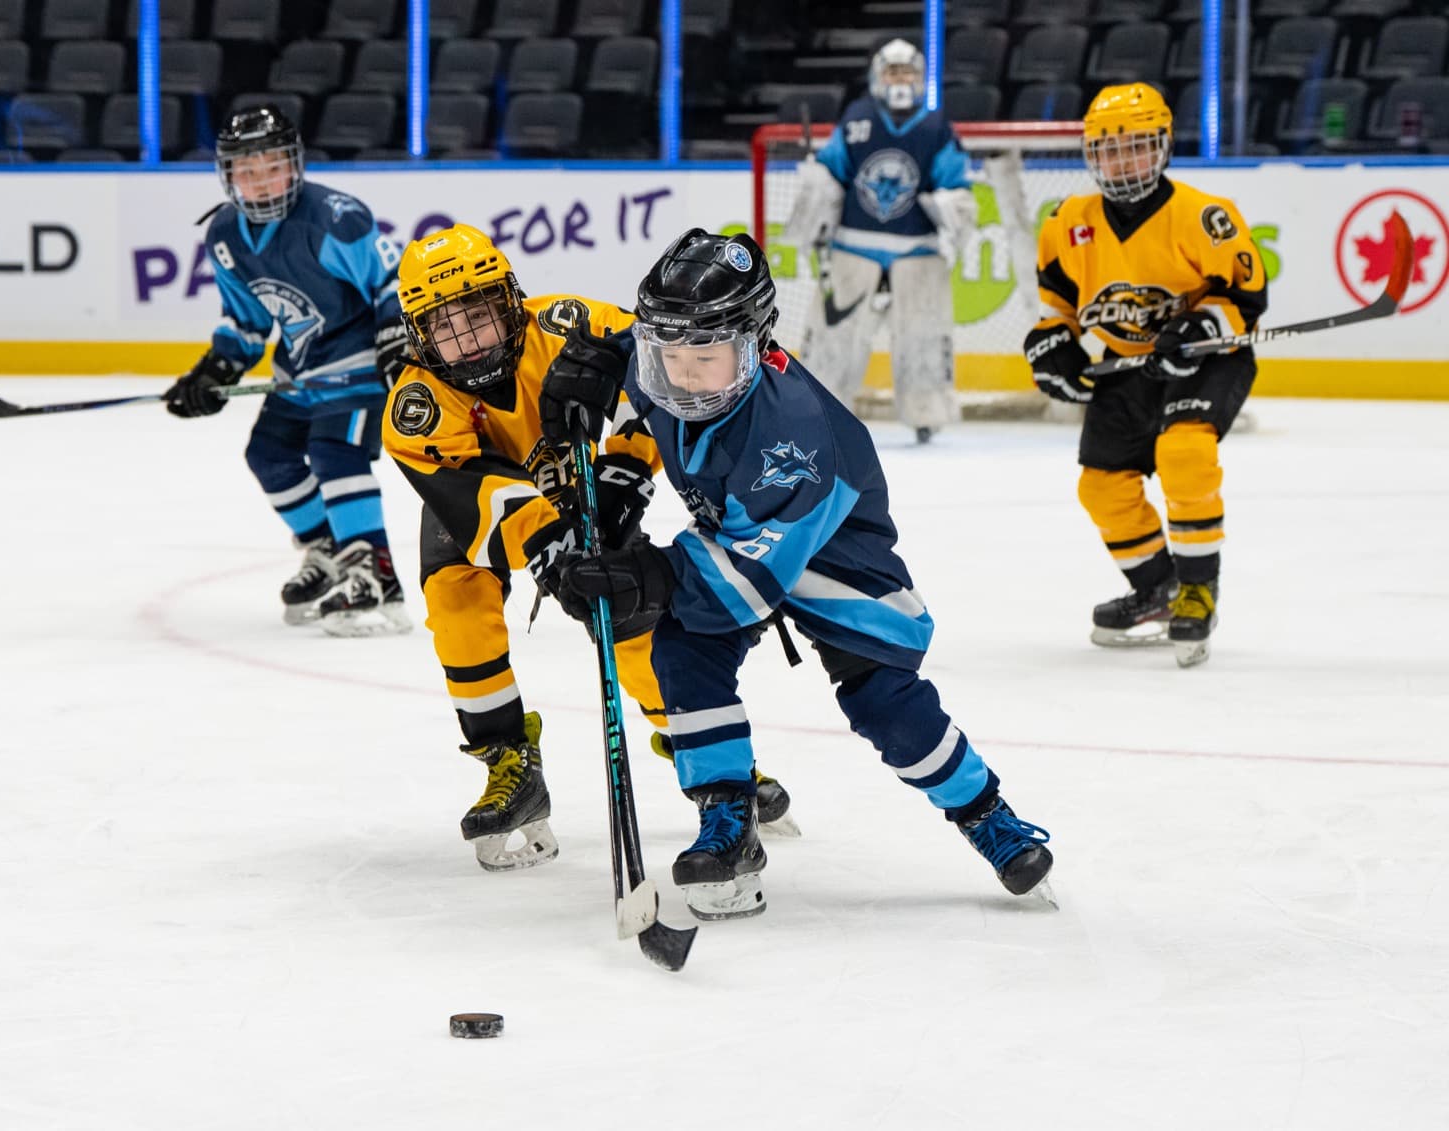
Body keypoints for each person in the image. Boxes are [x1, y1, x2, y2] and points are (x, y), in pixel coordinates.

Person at [538, 228, 1053, 921]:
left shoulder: (793, 434)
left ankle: (987, 813)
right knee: (682, 651)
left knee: (885, 703)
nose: (684, 378)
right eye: (671, 360)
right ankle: (728, 821)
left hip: (832, 557)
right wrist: (595, 366)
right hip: (739, 535)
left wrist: (648, 575)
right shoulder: (673, 354)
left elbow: (750, 579)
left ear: (753, 348)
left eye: (706, 361)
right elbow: (627, 343)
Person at [380, 224, 794, 873]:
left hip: (590, 491)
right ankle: (508, 761)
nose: (468, 344)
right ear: (418, 334)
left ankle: (700, 744)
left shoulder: (570, 324)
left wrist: (626, 471)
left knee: (634, 625)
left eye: (479, 318)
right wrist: (546, 540)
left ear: (511, 300)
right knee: (456, 602)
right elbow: (475, 496)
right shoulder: (417, 404)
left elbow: (658, 368)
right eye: (446, 328)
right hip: (491, 516)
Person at [1023, 83, 1265, 668]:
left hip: (1207, 363)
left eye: (1135, 147)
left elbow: (1247, 300)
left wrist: (1202, 326)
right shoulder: (1065, 223)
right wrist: (1049, 347)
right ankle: (1158, 588)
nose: (1122, 161)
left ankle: (1198, 588)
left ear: (1161, 148)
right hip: (1128, 367)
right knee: (1101, 487)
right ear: (1091, 156)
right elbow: (1057, 307)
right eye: (1109, 150)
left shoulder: (1203, 217)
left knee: (1184, 452)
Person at [164, 105, 411, 637]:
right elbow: (247, 320)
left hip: (357, 363)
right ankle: (326, 551)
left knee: (332, 452)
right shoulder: (226, 236)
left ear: (294, 164)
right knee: (268, 455)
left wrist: (396, 338)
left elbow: (394, 280)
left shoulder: (336, 219)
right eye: (247, 170)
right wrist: (215, 370)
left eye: (272, 165)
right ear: (228, 176)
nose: (261, 180)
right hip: (298, 369)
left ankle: (375, 573)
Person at [783, 37, 978, 443]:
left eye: (907, 72)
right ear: (877, 76)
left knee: (923, 333)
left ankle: (925, 410)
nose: (900, 79)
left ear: (919, 77)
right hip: (854, 244)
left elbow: (956, 183)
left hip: (916, 248)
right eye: (893, 71)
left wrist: (951, 206)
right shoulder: (857, 118)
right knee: (834, 332)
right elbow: (833, 170)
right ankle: (822, 406)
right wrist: (817, 188)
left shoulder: (935, 126)